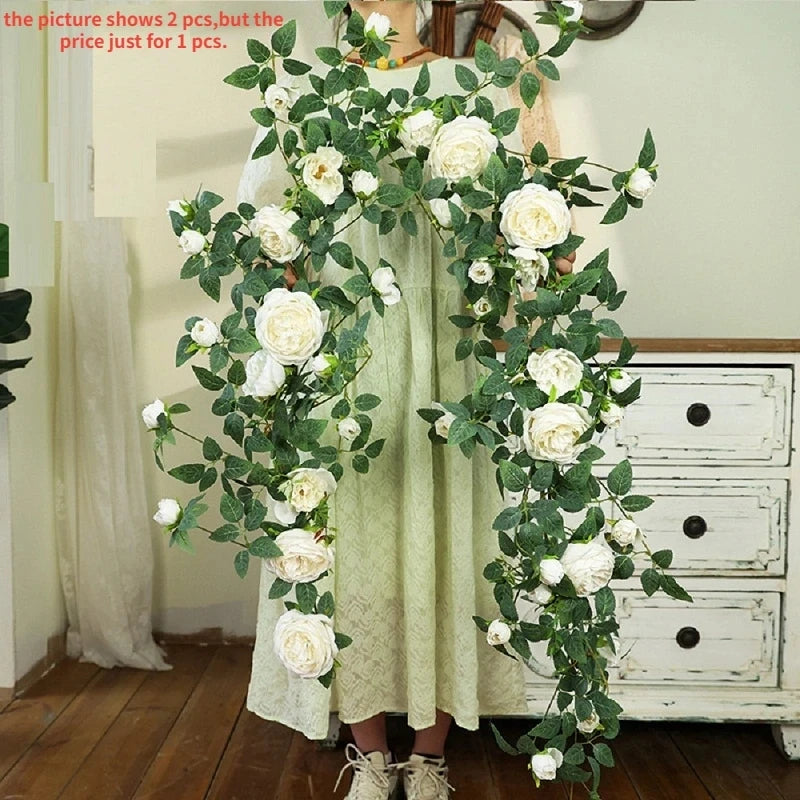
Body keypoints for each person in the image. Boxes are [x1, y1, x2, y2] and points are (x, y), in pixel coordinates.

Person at [236, 2, 576, 797]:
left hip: (447, 350)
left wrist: (536, 265)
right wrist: (289, 299)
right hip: (348, 354)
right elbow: (265, 225)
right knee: (346, 542)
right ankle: (368, 752)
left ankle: (429, 756)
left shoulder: (475, 83)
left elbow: (538, 211)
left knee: (450, 536)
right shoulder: (308, 89)